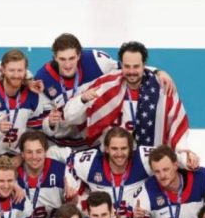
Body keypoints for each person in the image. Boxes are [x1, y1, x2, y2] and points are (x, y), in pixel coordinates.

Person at [36, 33, 175, 149]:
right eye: (62, 59)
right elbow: (40, 122)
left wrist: (157, 71)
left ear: (79, 55)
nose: (67, 64)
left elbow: (127, 69)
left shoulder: (96, 60)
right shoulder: (43, 79)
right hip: (58, 143)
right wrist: (50, 122)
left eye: (72, 58)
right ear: (54, 57)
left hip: (90, 141)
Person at [64, 41, 189, 150]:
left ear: (144, 65)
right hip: (111, 160)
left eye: (136, 66)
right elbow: (69, 116)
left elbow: (178, 124)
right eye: (127, 66)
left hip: (149, 162)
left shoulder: (162, 87)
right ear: (121, 65)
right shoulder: (105, 84)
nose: (131, 71)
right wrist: (82, 100)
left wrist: (183, 153)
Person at [65, 126, 199, 218]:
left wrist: (188, 160)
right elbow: (70, 161)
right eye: (114, 149)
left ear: (131, 148)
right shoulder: (90, 162)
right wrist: (80, 199)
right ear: (106, 149)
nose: (119, 154)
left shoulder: (142, 158)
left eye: (124, 148)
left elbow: (167, 157)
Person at [131, 145, 205, 218]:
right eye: (157, 171)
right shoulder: (147, 191)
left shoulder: (202, 177)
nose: (162, 176)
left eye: (166, 169)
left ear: (175, 165)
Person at [0, 48, 51, 157]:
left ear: (25, 71)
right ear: (2, 70)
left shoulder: (33, 95)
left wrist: (22, 157)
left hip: (18, 157)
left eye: (20, 70)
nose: (16, 75)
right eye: (11, 70)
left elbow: (38, 131)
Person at [17, 131, 66, 218]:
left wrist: (72, 199)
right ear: (22, 154)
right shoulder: (12, 176)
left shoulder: (60, 171)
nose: (34, 157)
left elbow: (71, 207)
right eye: (29, 152)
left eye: (39, 151)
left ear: (45, 152)